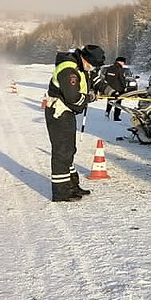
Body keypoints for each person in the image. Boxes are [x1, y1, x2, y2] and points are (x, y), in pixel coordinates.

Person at [44, 44, 106, 202]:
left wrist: (108, 90)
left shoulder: (80, 66)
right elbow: (73, 98)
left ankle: (72, 185)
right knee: (62, 152)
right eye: (93, 65)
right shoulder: (69, 69)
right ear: (86, 60)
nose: (93, 69)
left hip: (66, 112)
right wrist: (89, 98)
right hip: (58, 112)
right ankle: (61, 192)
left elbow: (93, 80)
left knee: (69, 150)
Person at [103, 56, 131, 121]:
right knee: (118, 104)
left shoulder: (110, 68)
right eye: (123, 62)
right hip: (118, 89)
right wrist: (124, 87)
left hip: (110, 89)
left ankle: (107, 113)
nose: (124, 64)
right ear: (120, 62)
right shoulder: (119, 69)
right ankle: (116, 117)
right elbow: (121, 79)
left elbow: (106, 78)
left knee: (110, 102)